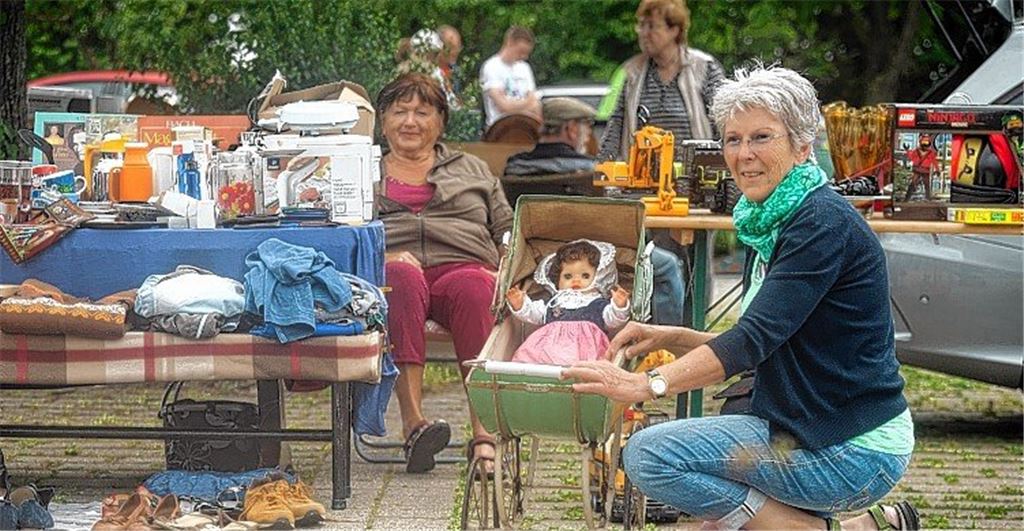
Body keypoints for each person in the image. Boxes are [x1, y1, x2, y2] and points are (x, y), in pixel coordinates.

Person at [564, 65, 919, 531]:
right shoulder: (769, 218)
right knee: (719, 518)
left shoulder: (820, 224)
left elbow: (751, 340)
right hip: (808, 432)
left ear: (802, 146)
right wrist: (670, 336)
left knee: (649, 454)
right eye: (733, 139)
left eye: (761, 138)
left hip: (849, 450)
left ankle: (823, 529)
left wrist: (646, 385)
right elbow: (766, 342)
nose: (743, 154)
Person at [376, 73, 514, 473]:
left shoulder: (471, 168)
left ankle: (484, 437)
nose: (410, 122)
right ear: (383, 121)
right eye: (399, 112)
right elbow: (344, 230)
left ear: (441, 121)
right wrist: (387, 255)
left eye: (422, 112)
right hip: (395, 272)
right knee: (399, 279)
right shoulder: (364, 170)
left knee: (475, 287)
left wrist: (510, 262)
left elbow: (508, 227)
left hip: (464, 266)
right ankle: (414, 426)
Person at [504, 96, 688, 328]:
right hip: (596, 253)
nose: (588, 135)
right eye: (587, 127)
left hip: (536, 253)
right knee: (668, 264)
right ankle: (667, 339)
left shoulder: (514, 167)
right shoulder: (591, 170)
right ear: (572, 129)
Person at [598, 0, 726, 161]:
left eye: (652, 26)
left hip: (693, 173)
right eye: (641, 25)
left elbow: (724, 122)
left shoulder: (704, 68)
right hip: (642, 175)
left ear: (674, 30)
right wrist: (603, 165)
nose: (644, 33)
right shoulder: (633, 73)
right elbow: (617, 124)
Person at [507, 239, 630, 365]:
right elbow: (535, 314)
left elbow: (612, 320)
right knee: (530, 358)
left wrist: (619, 305)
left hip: (585, 349)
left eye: (585, 276)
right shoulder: (553, 302)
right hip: (549, 348)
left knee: (588, 366)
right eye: (567, 276)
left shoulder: (597, 303)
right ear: (557, 280)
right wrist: (520, 304)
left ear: (599, 277)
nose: (576, 280)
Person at [504, 97, 598, 176]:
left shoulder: (514, 166)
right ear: (572, 129)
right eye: (588, 125)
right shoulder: (592, 168)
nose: (589, 133)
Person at [479, 26, 542, 128]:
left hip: (526, 126)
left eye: (526, 53)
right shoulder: (491, 67)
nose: (524, 57)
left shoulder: (525, 68)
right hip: (501, 128)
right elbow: (503, 106)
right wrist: (526, 105)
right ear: (510, 42)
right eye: (521, 52)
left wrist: (514, 106)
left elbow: (535, 103)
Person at [904, 134, 939, 201]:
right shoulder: (917, 151)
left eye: (926, 143)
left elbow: (934, 162)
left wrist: (937, 170)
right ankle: (907, 198)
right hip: (918, 170)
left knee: (926, 185)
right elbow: (911, 157)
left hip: (924, 171)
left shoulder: (930, 153)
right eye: (924, 143)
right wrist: (907, 150)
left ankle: (927, 198)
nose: (925, 145)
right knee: (914, 184)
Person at [437, 24, 464, 106]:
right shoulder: (428, 71)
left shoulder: (456, 71)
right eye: (452, 48)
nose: (456, 52)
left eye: (459, 47)